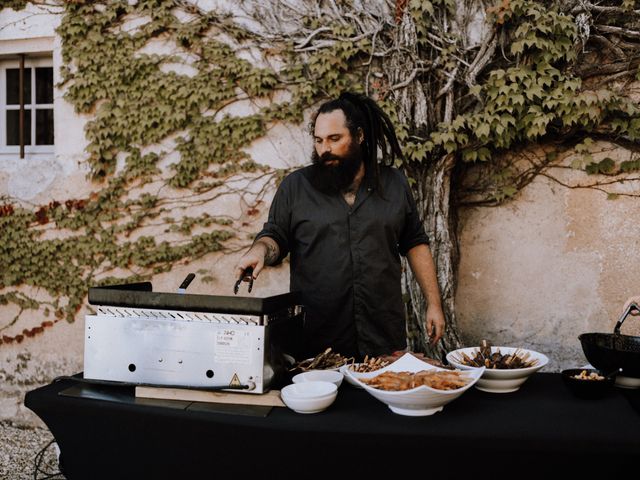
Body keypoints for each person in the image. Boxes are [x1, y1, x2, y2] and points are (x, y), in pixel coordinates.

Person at [234, 91, 445, 360]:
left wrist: (434, 304)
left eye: (335, 139)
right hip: (317, 344)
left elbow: (414, 242)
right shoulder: (295, 187)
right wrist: (259, 251)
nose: (325, 149)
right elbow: (275, 236)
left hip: (382, 338)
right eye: (319, 140)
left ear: (359, 137)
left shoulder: (394, 184)